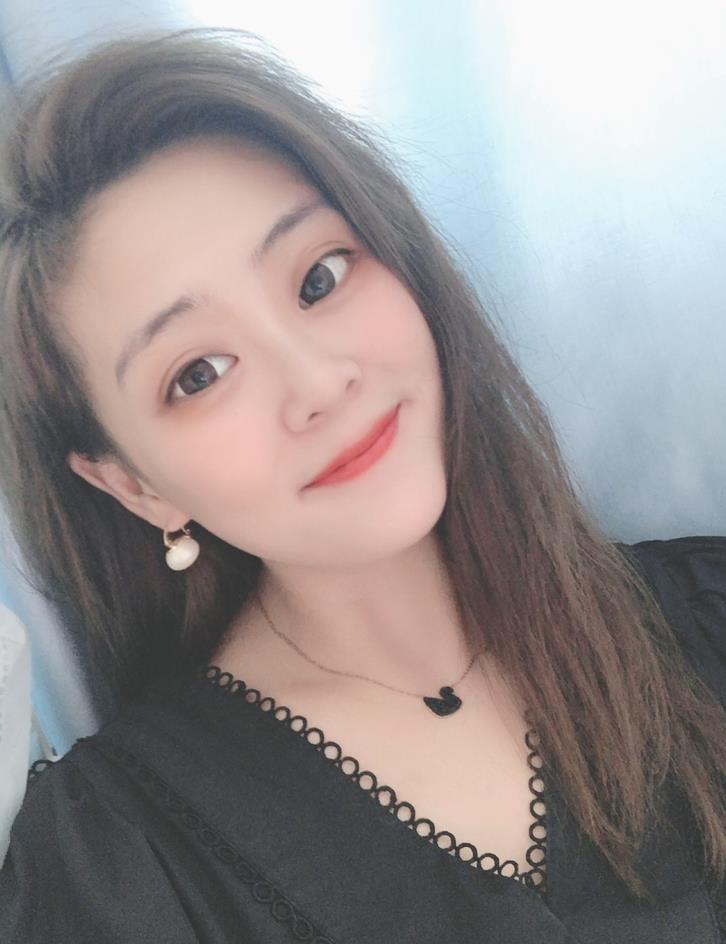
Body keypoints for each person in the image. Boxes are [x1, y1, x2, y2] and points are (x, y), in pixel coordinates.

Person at [0, 26, 724, 943]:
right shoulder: (124, 859)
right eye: (199, 373)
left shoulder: (702, 623)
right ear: (134, 485)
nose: (319, 381)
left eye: (320, 277)